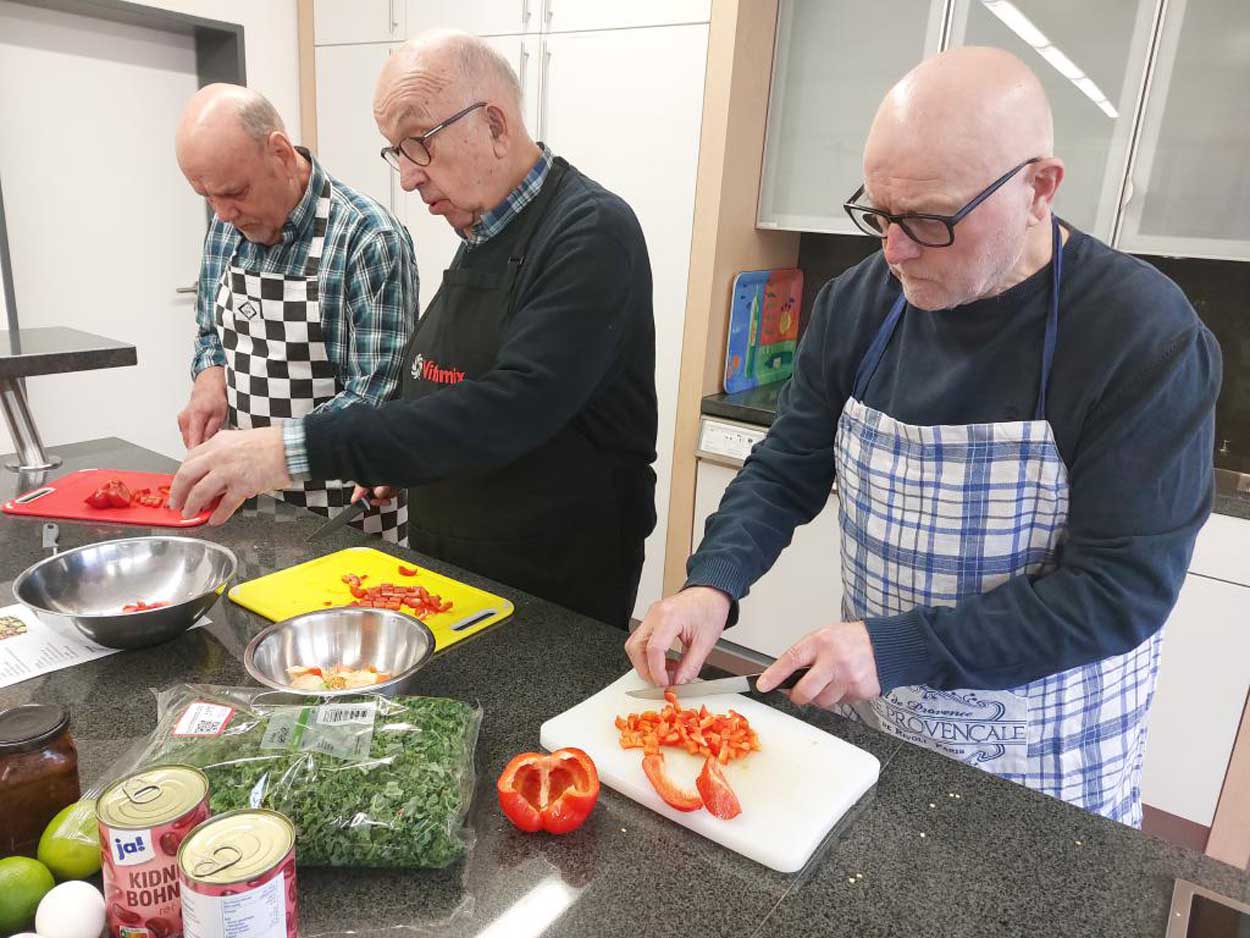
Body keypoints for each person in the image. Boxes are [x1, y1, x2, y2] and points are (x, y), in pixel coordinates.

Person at [626, 47, 1221, 825]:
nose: (895, 250)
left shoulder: (1142, 337)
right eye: (880, 214)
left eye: (931, 220)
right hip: (881, 731)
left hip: (1044, 768)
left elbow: (1119, 592)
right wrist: (714, 583)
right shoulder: (861, 304)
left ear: (1040, 188)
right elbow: (786, 468)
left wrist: (890, 648)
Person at [170, 34, 658, 627]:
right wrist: (395, 467)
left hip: (553, 587)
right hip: (453, 569)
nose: (405, 177)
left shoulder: (591, 232)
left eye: (416, 145)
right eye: (394, 152)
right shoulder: (482, 233)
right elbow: (441, 385)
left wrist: (287, 448)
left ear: (495, 127)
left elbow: (511, 407)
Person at [175, 84, 417, 543]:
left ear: (281, 153)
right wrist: (209, 379)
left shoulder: (367, 238)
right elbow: (209, 332)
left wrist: (269, 453)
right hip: (249, 501)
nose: (223, 214)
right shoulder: (227, 227)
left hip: (345, 508)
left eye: (234, 192)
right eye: (206, 196)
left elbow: (379, 396)